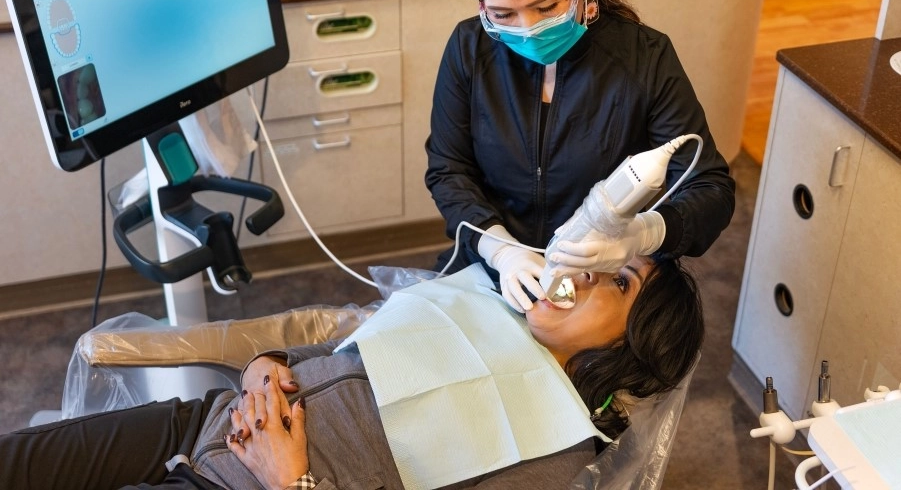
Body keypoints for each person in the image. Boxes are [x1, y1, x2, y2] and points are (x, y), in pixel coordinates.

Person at [0, 255, 703, 490]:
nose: (576, 273)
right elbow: (330, 360)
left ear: (631, 343)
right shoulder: (477, 303)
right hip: (200, 421)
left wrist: (291, 479)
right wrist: (263, 370)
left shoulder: (553, 454)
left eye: (616, 281)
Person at [425, 0, 736, 312]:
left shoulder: (643, 59)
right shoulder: (469, 48)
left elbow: (710, 190)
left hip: (601, 280)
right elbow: (448, 169)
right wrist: (500, 250)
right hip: (494, 269)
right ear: (481, 5)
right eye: (503, 14)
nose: (527, 28)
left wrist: (640, 236)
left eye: (545, 7)